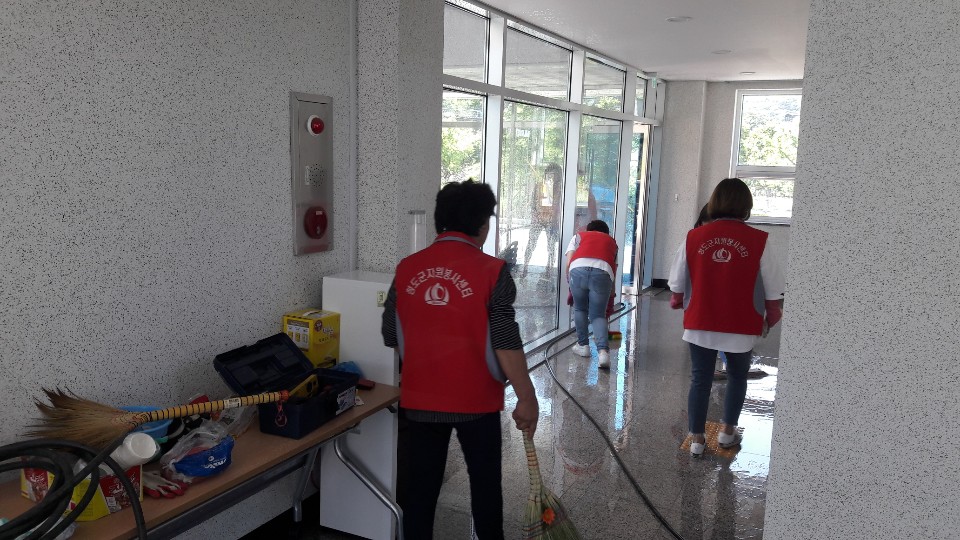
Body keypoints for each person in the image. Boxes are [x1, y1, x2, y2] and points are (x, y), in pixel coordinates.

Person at [381, 180, 539, 540]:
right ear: (482, 225)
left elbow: (391, 334)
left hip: (420, 401)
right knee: (485, 489)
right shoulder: (493, 271)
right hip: (477, 403)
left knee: (420, 493)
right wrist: (527, 397)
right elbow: (505, 340)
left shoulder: (406, 269)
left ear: (440, 222)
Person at [668, 178, 784, 457]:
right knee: (737, 376)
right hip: (741, 324)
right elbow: (774, 287)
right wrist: (771, 315)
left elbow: (676, 283)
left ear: (714, 202)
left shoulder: (693, 237)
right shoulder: (760, 240)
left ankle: (697, 440)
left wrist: (679, 300)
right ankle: (727, 433)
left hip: (700, 322)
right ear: (746, 206)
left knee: (700, 379)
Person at [565, 219, 619, 369]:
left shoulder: (578, 237)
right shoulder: (612, 243)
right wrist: (612, 294)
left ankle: (583, 346)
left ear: (588, 230)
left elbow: (569, 262)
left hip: (578, 269)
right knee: (598, 315)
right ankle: (603, 353)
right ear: (606, 233)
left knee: (580, 309)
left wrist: (570, 283)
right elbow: (613, 269)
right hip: (603, 272)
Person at [521, 163, 563, 278]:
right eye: (550, 175)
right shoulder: (539, 186)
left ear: (559, 176)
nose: (552, 178)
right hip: (538, 219)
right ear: (546, 175)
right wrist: (534, 215)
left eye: (555, 175)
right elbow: (533, 203)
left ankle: (549, 269)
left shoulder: (561, 188)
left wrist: (557, 220)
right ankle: (524, 267)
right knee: (531, 243)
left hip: (552, 220)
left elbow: (561, 206)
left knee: (551, 246)